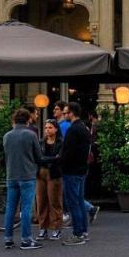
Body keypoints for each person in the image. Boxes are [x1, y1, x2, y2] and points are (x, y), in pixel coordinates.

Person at [3, 108, 43, 250]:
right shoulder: (30, 134)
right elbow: (38, 157)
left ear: (14, 120)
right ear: (28, 120)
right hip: (27, 175)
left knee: (10, 208)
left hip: (11, 175)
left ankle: (8, 238)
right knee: (26, 208)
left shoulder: (7, 136)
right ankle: (26, 239)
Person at [59, 103, 92, 245]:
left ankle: (78, 234)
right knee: (79, 201)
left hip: (71, 170)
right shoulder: (84, 128)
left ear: (72, 113)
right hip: (82, 169)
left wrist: (60, 162)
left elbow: (68, 152)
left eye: (66, 113)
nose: (64, 115)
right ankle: (83, 231)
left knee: (73, 203)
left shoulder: (73, 130)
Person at [36, 119, 65, 240]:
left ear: (56, 129)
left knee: (54, 201)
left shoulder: (60, 142)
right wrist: (51, 158)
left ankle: (56, 228)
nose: (47, 130)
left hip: (54, 174)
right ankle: (43, 228)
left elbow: (59, 158)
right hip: (41, 173)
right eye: (46, 128)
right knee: (41, 201)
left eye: (50, 127)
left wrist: (45, 159)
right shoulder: (41, 142)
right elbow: (38, 157)